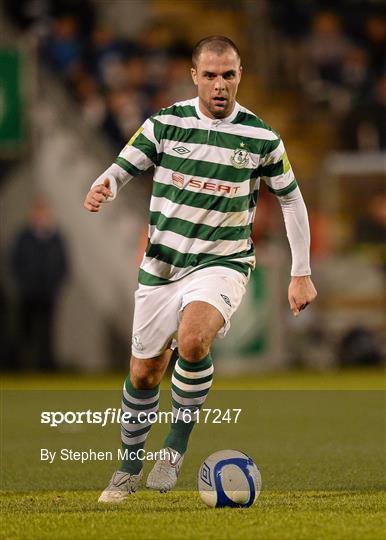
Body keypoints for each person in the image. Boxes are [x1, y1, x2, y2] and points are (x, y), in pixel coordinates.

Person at [83, 36, 317, 502]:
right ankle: (129, 465)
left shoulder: (261, 137)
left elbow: (290, 198)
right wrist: (103, 185)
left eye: (228, 75)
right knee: (146, 372)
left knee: (192, 341)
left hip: (222, 261)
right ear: (194, 76)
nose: (219, 85)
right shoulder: (165, 125)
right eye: (209, 75)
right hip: (162, 263)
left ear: (239, 76)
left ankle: (174, 447)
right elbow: (121, 168)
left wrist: (301, 271)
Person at [11, 197, 69, 370]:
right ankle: (23, 366)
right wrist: (23, 283)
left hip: (48, 293)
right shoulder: (24, 237)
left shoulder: (56, 238)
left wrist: (54, 285)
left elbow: (63, 265)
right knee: (25, 331)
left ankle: (46, 366)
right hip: (28, 292)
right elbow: (15, 262)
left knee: (47, 332)